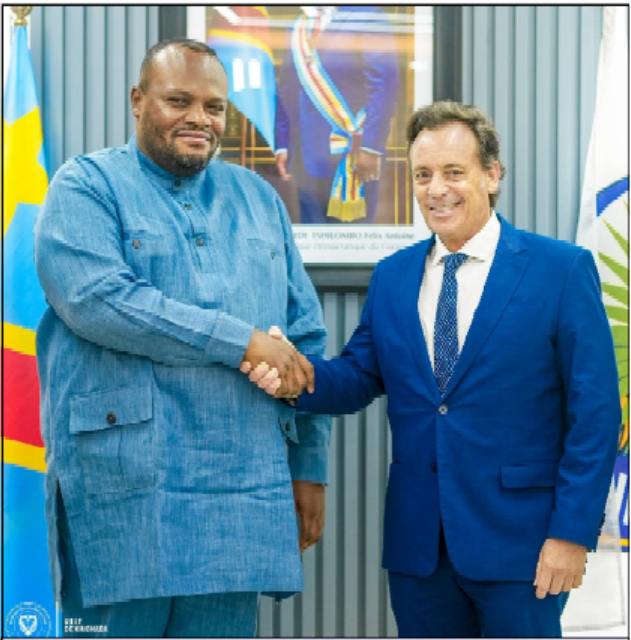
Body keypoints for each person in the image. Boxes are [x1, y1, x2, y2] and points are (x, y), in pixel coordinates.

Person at [247, 101, 621, 637]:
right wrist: (291, 375)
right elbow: (356, 377)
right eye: (423, 175)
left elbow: (597, 415)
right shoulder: (394, 276)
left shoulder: (560, 270)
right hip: (420, 550)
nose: (436, 189)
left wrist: (572, 534)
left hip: (525, 546)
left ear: (492, 175)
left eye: (454, 172)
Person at [34, 39, 330, 638]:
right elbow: (100, 302)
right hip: (126, 487)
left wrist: (310, 465)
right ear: (138, 101)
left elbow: (304, 338)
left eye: (214, 107)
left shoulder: (258, 199)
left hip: (243, 487)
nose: (200, 118)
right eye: (179, 101)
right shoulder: (85, 185)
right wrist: (243, 342)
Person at [274, 5, 400, 224]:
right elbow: (287, 88)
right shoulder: (298, 26)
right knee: (310, 238)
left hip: (353, 153)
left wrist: (371, 147)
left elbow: (384, 86)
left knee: (352, 238)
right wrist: (283, 143)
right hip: (303, 156)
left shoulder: (368, 15)